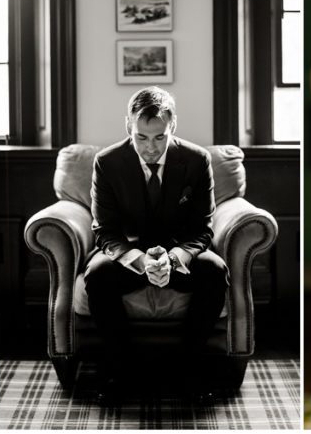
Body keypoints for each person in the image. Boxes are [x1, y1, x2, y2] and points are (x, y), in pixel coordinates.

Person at [85, 86, 228, 404]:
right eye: (141, 137)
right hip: (129, 256)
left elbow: (203, 229)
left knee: (215, 270)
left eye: (159, 137)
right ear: (128, 127)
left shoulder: (196, 160)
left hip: (179, 254)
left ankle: (189, 370)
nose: (150, 148)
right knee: (96, 273)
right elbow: (105, 231)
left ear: (172, 126)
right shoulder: (106, 163)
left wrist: (175, 258)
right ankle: (122, 372)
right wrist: (138, 260)